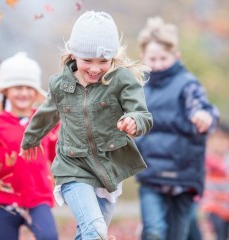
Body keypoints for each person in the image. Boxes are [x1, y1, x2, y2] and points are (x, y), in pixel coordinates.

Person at [20, 11, 153, 239]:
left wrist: (134, 121)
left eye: (103, 61)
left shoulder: (121, 81)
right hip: (73, 166)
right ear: (73, 55)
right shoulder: (61, 85)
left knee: (91, 234)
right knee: (95, 229)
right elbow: (46, 114)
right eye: (87, 61)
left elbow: (142, 113)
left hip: (108, 168)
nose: (94, 68)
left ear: (113, 57)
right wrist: (30, 139)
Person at [135, 17, 220, 240]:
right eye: (152, 58)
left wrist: (203, 117)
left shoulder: (187, 85)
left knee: (176, 236)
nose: (158, 64)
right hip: (151, 175)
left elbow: (201, 108)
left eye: (163, 58)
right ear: (143, 59)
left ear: (176, 57)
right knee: (153, 232)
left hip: (182, 178)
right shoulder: (139, 89)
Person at [0, 52, 59, 240]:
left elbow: (56, 156)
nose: (24, 93)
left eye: (28, 88)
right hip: (4, 201)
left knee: (49, 237)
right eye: (17, 87)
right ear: (6, 91)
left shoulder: (46, 121)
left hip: (37, 198)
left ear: (35, 92)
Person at [201, 124, 229, 240]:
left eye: (223, 139)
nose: (219, 143)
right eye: (215, 138)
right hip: (212, 207)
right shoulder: (204, 160)